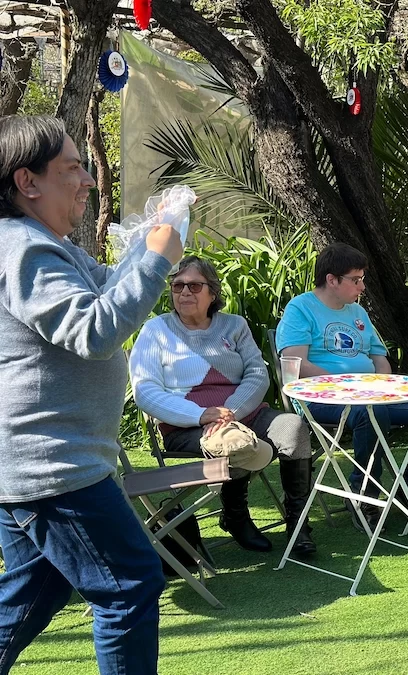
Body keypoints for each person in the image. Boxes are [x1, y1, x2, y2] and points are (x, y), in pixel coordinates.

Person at [0, 115, 183, 674]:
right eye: (73, 168)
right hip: (52, 463)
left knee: (39, 589)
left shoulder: (44, 246)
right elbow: (95, 332)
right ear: (27, 182)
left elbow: (107, 290)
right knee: (130, 584)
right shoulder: (24, 251)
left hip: (42, 460)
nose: (87, 180)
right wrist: (158, 259)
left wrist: (148, 242)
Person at [130, 255, 316, 558]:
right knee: (234, 444)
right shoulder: (157, 331)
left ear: (212, 293)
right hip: (188, 425)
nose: (184, 292)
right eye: (178, 286)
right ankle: (236, 515)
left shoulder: (234, 326)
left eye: (194, 285)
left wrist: (232, 411)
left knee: (292, 427)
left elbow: (257, 373)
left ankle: (298, 526)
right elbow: (146, 391)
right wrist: (200, 415)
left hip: (242, 413)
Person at [276, 243, 408, 532]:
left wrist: (382, 385)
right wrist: (347, 387)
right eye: (355, 280)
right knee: (371, 413)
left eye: (362, 279)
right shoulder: (301, 308)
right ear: (332, 280)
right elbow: (295, 362)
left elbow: (379, 358)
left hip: (369, 394)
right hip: (321, 398)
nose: (362, 286)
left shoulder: (357, 312)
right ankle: (363, 496)